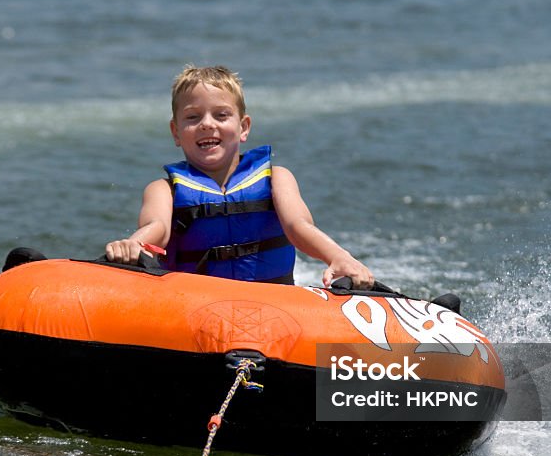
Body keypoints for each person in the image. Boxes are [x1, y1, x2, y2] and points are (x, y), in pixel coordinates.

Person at [105, 65, 375, 289]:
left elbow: (298, 226)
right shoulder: (164, 190)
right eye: (193, 117)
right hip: (193, 306)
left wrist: (339, 257)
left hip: (272, 302)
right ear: (176, 132)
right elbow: (157, 228)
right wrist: (133, 244)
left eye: (221, 115)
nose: (207, 124)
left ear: (243, 127)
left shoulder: (276, 179)